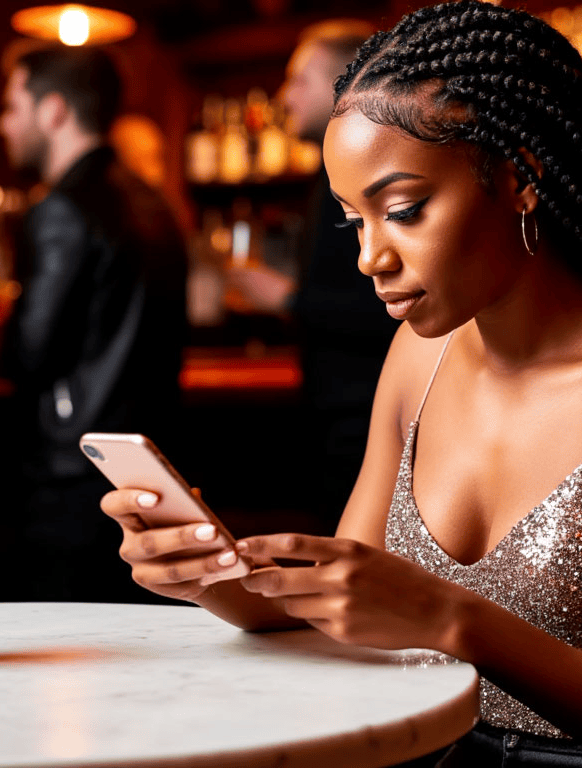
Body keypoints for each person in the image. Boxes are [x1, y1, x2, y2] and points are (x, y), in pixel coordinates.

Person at [103, 3, 582, 766]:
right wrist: (212, 578)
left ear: (519, 176)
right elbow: (342, 602)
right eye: (356, 223)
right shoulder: (419, 360)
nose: (370, 259)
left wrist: (458, 622)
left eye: (404, 210)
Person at [0, 45, 189, 603]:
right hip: (151, 465)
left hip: (72, 472)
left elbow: (28, 353)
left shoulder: (61, 209)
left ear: (53, 111)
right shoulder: (156, 204)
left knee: (66, 651)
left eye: (12, 105)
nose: (2, 123)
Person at [228, 19, 398, 523]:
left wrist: (285, 298)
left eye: (298, 79)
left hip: (371, 419)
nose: (284, 96)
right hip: (338, 416)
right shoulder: (326, 175)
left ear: (345, 80)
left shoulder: (368, 174)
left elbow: (388, 307)